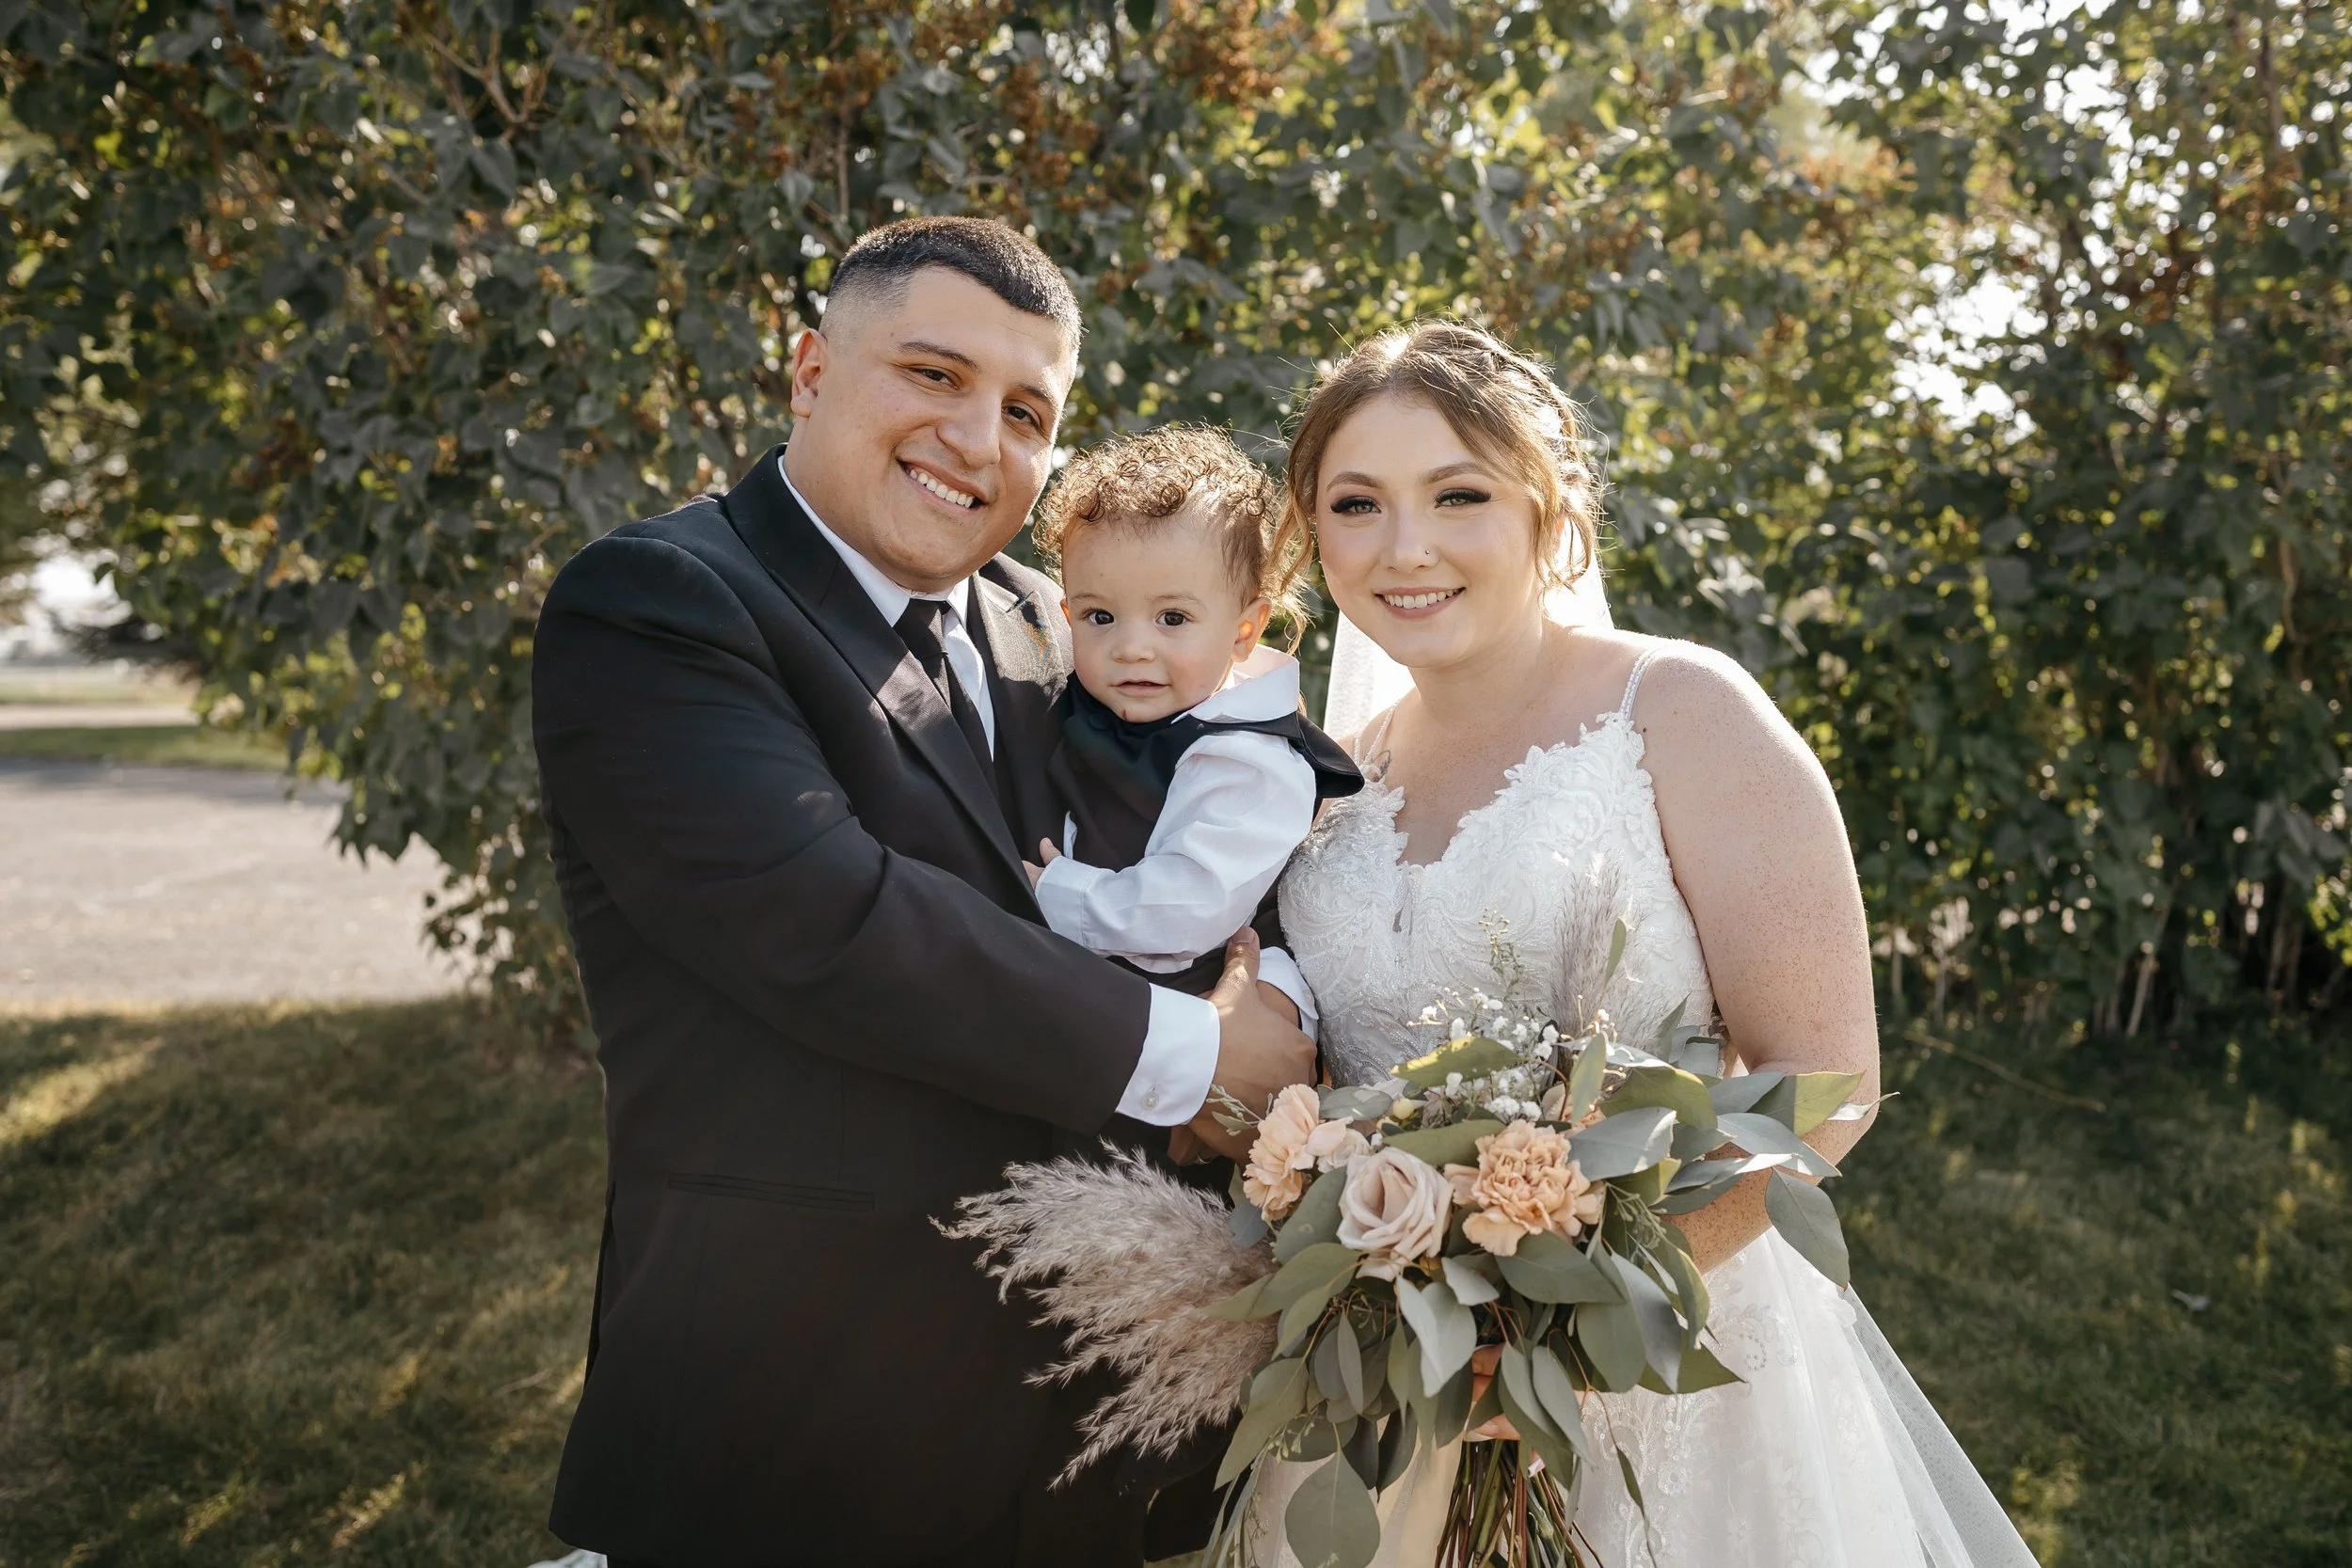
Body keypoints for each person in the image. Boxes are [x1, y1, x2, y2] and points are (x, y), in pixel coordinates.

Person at [528, 215, 1313, 1568]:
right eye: (934, 375)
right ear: (809, 369)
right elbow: (832, 921)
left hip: (1086, 1415)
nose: (976, 437)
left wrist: (1278, 995)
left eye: (1025, 410)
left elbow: (1219, 840)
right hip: (795, 1410)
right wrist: (1204, 1058)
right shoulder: (661, 602)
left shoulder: (1055, 617)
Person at [1258, 322, 2041, 1565]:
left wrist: (1555, 1332)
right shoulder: (1327, 777)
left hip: (1656, 1369)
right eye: (1357, 504)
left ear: (1546, 506)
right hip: (1386, 1375)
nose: (1404, 547)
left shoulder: (1677, 709)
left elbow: (1824, 1085)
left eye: (1457, 493)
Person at [1023, 427, 1361, 1036]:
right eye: (1101, 616)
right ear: (1069, 615)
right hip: (1102, 1015)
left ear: (1245, 629)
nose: (1131, 648)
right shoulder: (1081, 704)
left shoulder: (1251, 758)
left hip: (1216, 1016)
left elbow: (1187, 909)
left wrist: (1053, 891)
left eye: (1172, 618)